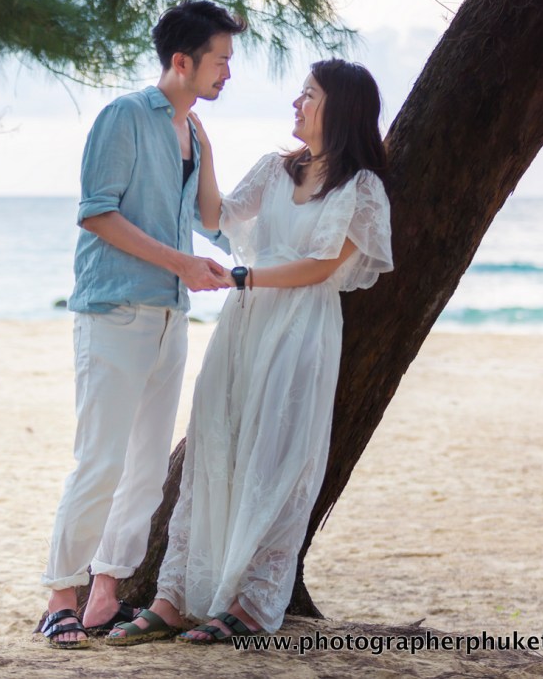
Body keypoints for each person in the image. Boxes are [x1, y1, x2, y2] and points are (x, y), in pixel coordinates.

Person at [107, 59, 393, 646]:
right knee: (214, 445)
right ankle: (172, 598)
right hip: (244, 324)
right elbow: (216, 215)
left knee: (274, 460)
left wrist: (244, 277)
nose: (297, 103)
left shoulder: (361, 188)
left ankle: (251, 602)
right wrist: (206, 153)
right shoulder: (274, 168)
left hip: (300, 328)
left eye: (309, 95)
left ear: (340, 108)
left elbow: (320, 266)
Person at [38, 0, 246, 649]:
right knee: (100, 459)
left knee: (147, 467)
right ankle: (60, 595)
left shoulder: (191, 132)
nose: (228, 73)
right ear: (182, 61)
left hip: (169, 316)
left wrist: (206, 152)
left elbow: (209, 219)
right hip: (115, 310)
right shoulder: (124, 116)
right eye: (220, 60)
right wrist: (182, 262)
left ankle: (106, 591)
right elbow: (97, 213)